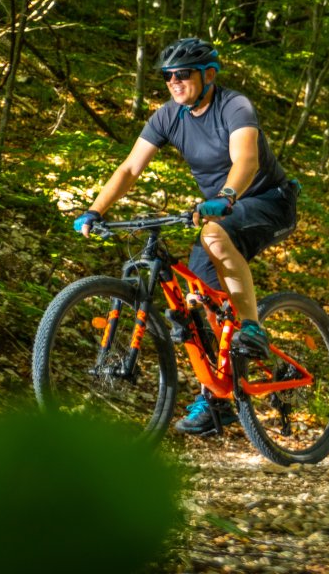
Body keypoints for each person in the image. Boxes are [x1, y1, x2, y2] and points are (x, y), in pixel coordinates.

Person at [73, 37, 299, 436]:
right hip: (222, 212)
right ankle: (218, 398)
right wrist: (96, 209)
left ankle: (251, 327)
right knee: (197, 297)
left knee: (214, 236)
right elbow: (129, 169)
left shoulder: (234, 106)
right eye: (167, 76)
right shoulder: (168, 116)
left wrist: (226, 196)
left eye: (182, 74)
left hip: (268, 201)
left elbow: (246, 161)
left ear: (208, 75)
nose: (173, 82)